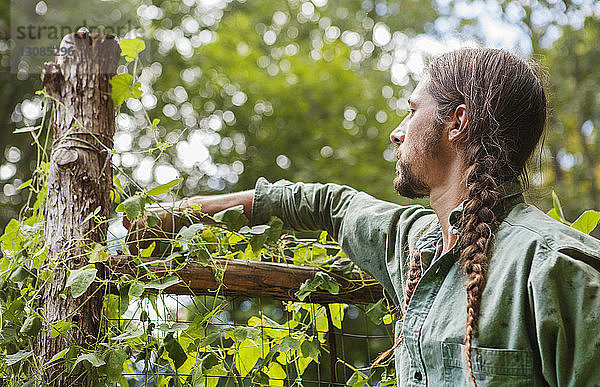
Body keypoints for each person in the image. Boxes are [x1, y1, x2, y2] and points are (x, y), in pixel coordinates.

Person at [125, 48, 600, 386]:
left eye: (412, 111)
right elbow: (328, 204)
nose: (397, 132)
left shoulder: (556, 268)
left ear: (456, 123)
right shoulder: (415, 244)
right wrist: (180, 215)